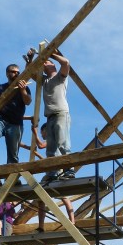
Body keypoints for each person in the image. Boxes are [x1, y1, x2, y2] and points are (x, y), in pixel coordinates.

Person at [0, 64, 32, 168]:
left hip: (16, 122)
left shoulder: (25, 87)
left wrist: (22, 90)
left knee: (13, 150)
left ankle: (12, 171)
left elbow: (28, 102)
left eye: (18, 72)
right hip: (0, 119)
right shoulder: (0, 87)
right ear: (7, 73)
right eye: (13, 71)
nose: (16, 73)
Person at [31, 122, 76, 229]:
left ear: (46, 130)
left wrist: (35, 133)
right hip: (51, 170)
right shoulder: (52, 143)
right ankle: (41, 226)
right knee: (41, 198)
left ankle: (72, 221)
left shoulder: (51, 139)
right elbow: (48, 160)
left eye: (42, 133)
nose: (42, 135)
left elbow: (41, 145)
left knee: (62, 196)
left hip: (55, 171)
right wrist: (37, 154)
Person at [40, 52, 74, 185]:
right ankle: (52, 174)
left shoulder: (60, 77)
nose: (44, 64)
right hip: (50, 116)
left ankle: (69, 171)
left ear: (53, 65)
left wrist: (51, 54)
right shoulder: (44, 80)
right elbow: (30, 73)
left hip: (61, 113)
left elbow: (66, 62)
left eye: (46, 62)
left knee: (63, 143)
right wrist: (30, 60)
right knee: (51, 148)